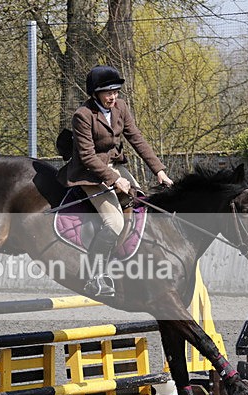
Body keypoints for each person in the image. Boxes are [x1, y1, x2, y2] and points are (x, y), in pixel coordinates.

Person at [58, 65, 173, 297]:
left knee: (140, 203)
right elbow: (88, 157)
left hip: (116, 166)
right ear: (95, 93)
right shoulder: (82, 115)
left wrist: (159, 170)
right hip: (89, 174)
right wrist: (114, 179)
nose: (113, 96)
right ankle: (94, 276)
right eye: (108, 92)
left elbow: (136, 139)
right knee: (114, 223)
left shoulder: (120, 107)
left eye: (116, 92)